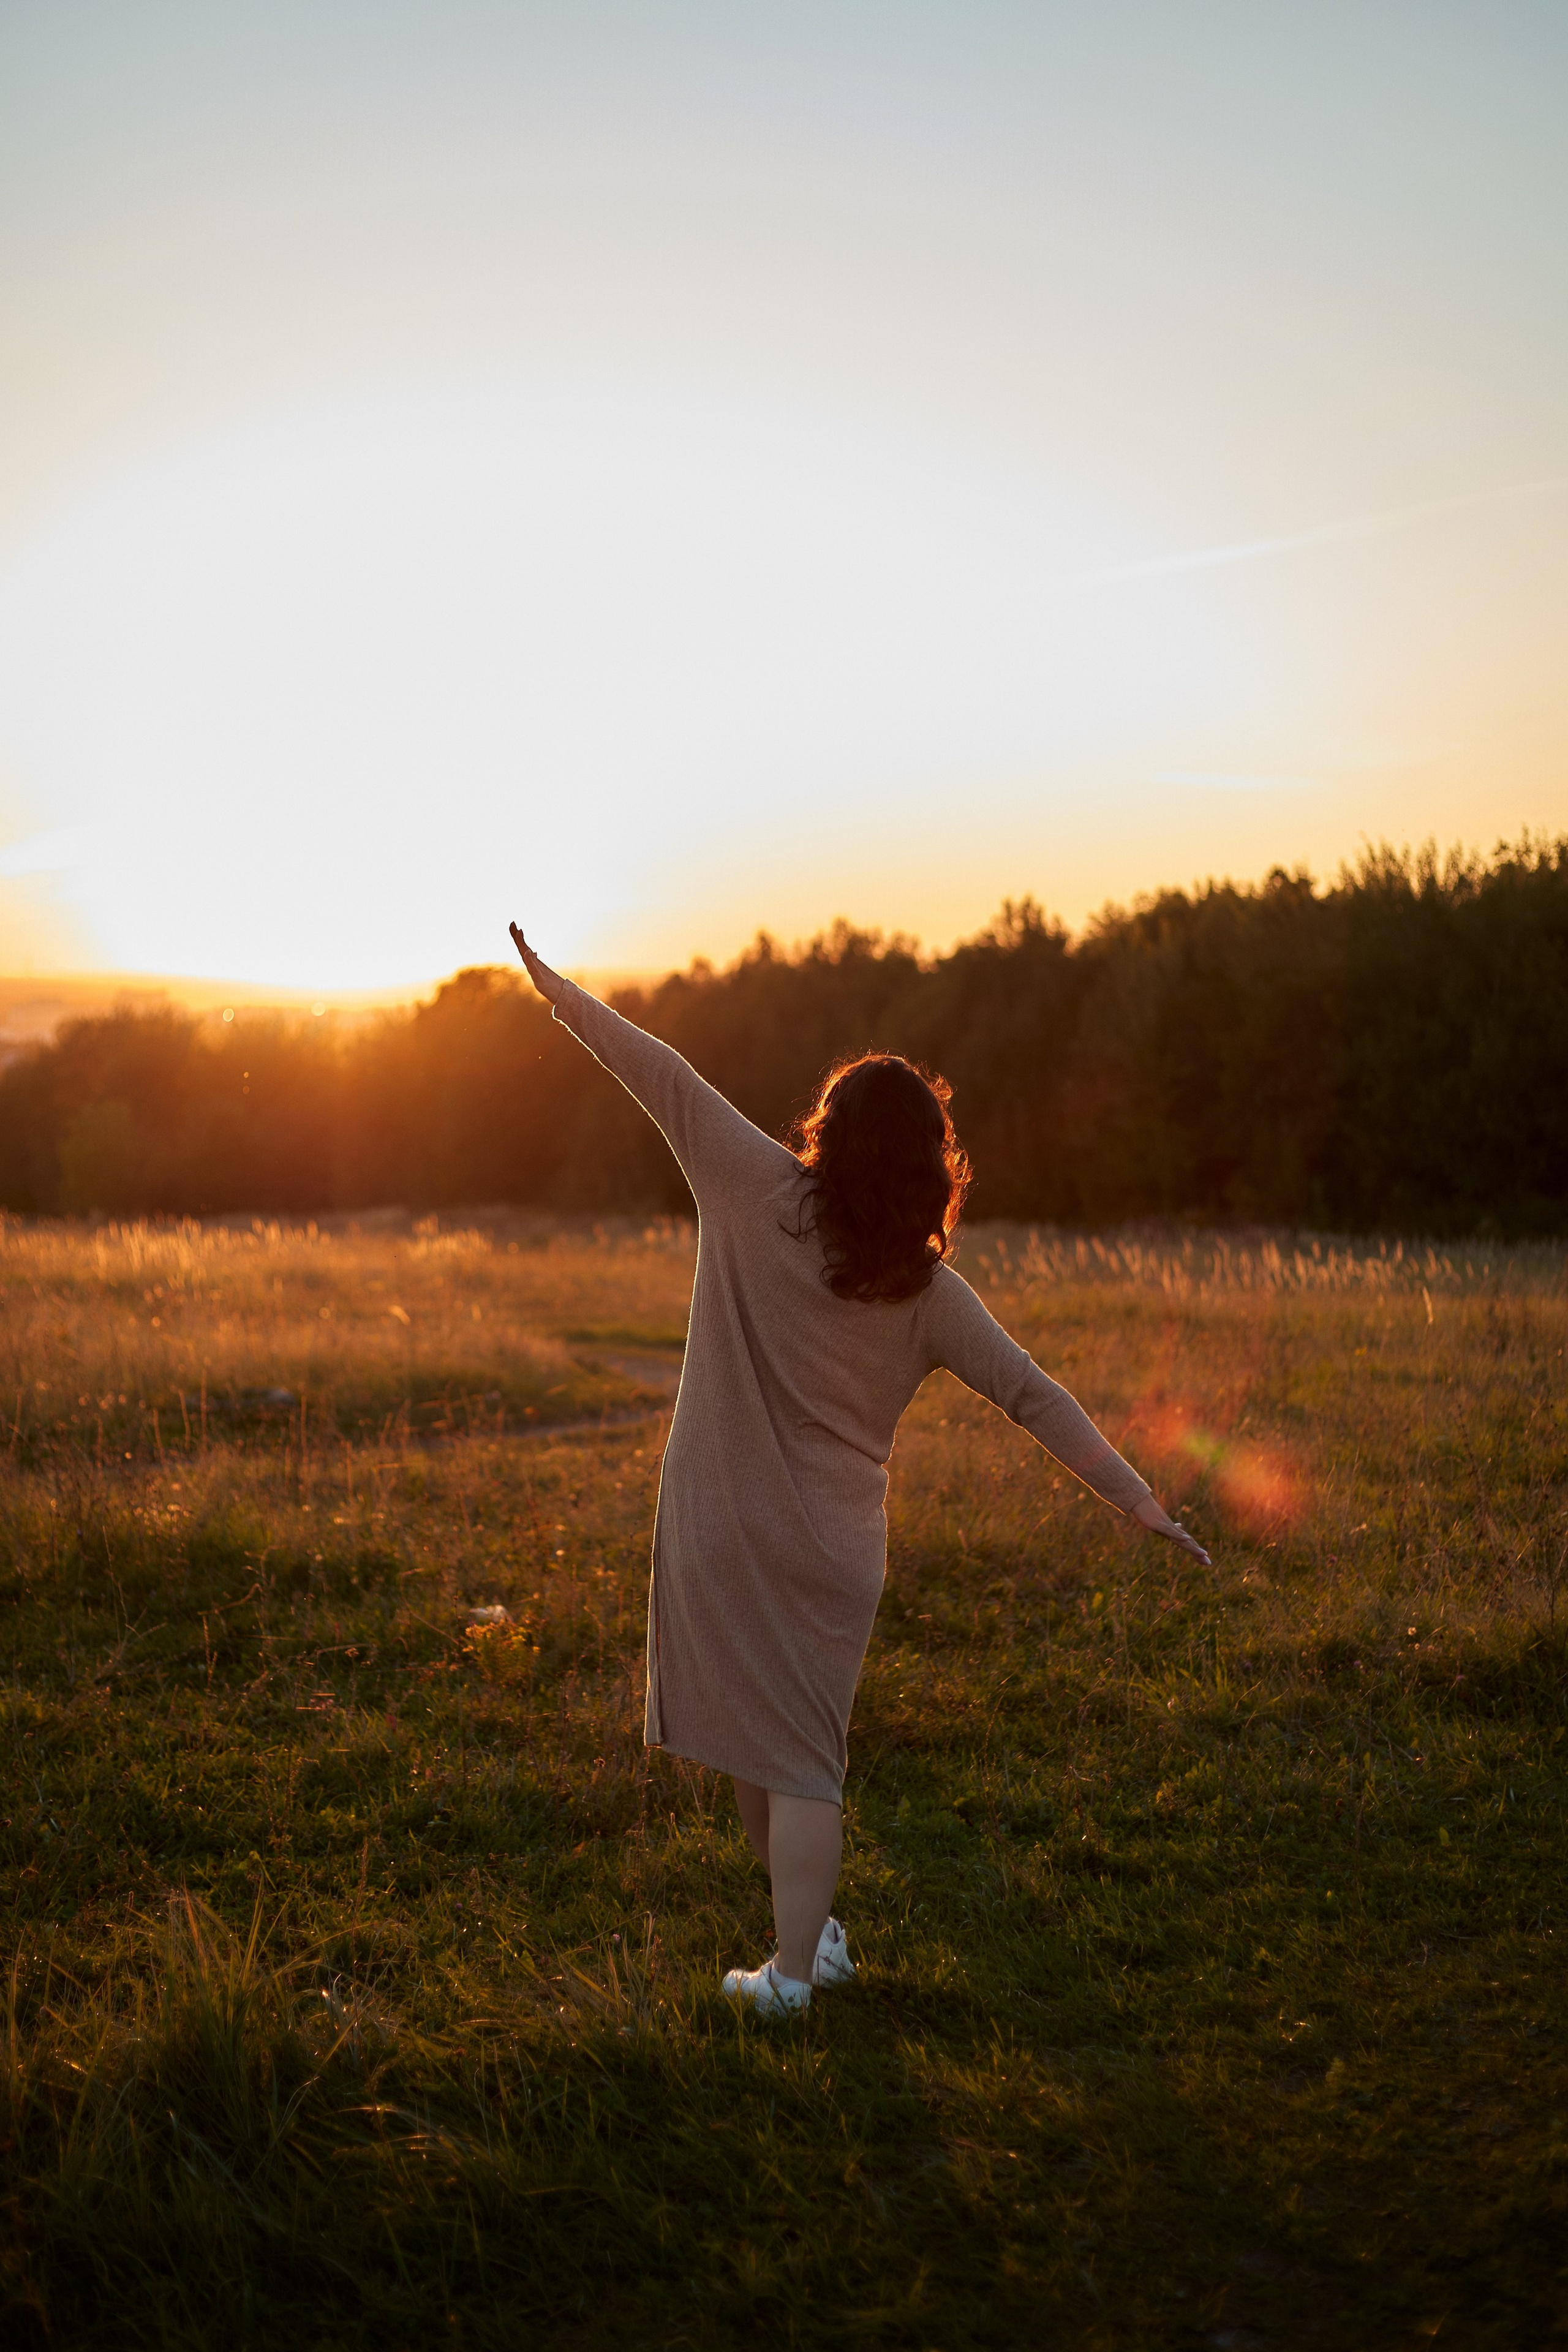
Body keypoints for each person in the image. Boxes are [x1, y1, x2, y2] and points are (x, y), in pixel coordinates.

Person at [509, 922, 1210, 2014]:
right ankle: (806, 1953)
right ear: (928, 1164)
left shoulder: (751, 1186)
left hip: (720, 1525)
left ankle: (795, 1969)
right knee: (796, 1754)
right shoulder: (930, 1293)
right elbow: (1036, 1396)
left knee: (764, 1749)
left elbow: (661, 1071)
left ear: (828, 1135)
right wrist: (1136, 1501)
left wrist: (556, 992)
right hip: (833, 1552)